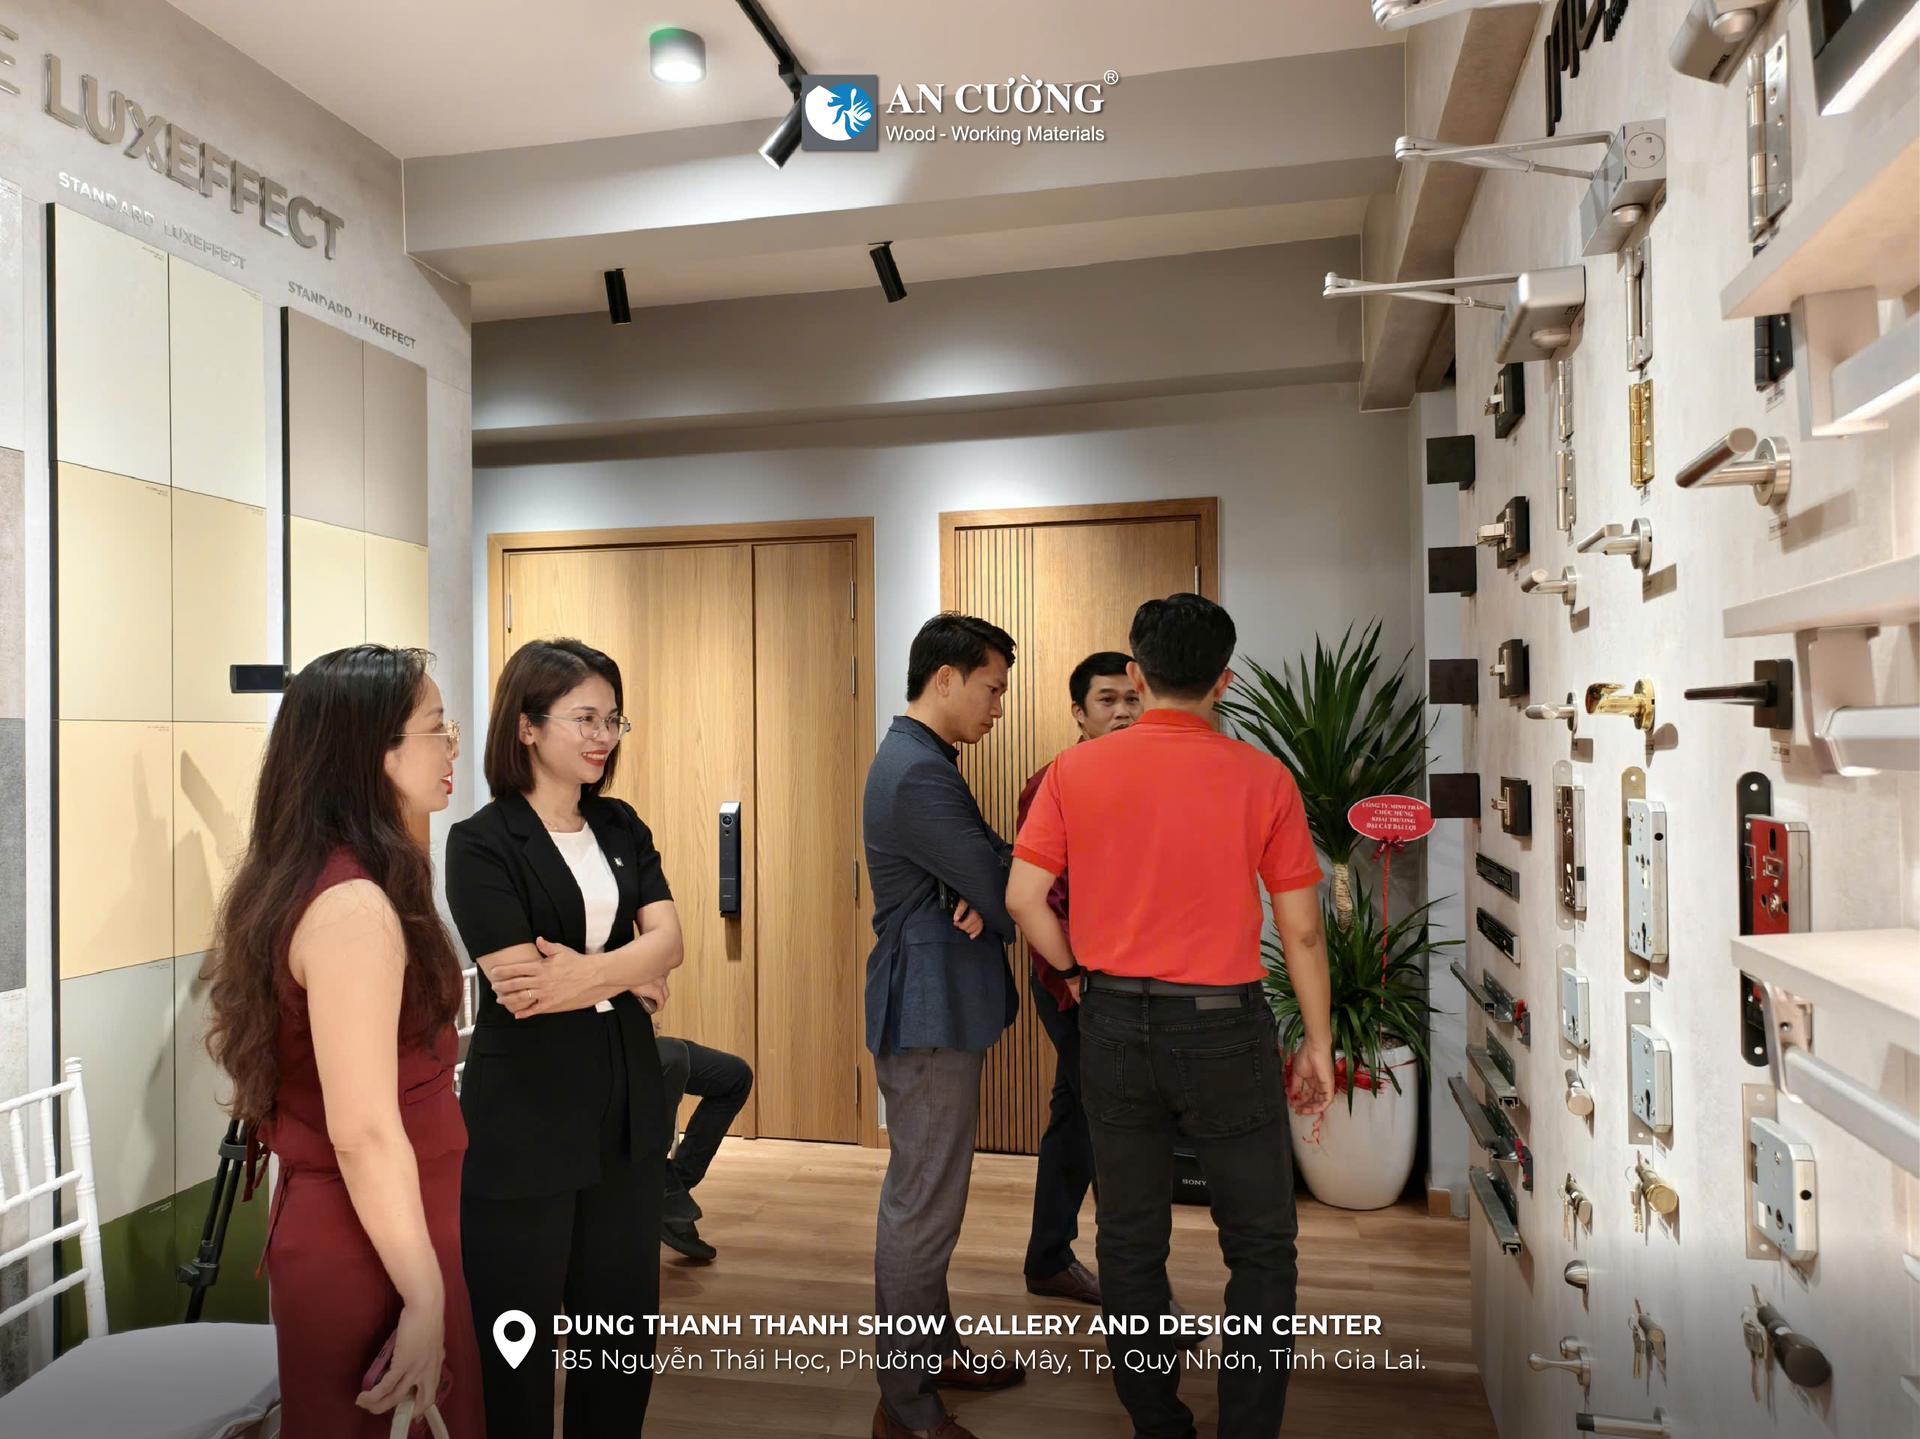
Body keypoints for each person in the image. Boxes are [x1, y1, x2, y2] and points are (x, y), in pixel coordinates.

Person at [1007, 594, 1336, 1439]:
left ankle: (1159, 1423)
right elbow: (1302, 930)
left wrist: (1076, 971)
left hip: (1114, 1021)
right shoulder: (1262, 778)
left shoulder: (1074, 771)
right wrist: (1318, 1042)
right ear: (1223, 680)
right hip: (1226, 1027)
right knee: (1259, 1243)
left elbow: (1024, 897)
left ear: (1137, 674)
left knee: (1129, 1237)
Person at [204, 644, 483, 1437]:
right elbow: (362, 1129)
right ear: (374, 752)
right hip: (372, 1244)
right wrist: (421, 1293)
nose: (452, 745)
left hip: (393, 1224)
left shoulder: (337, 877)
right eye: (436, 727)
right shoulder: (352, 907)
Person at [446, 638, 685, 1437]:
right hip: (525, 1117)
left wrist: (595, 972)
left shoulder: (619, 823)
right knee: (515, 1344)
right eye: (585, 717)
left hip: (625, 1109)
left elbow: (672, 942)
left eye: (613, 719)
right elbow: (524, 986)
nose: (603, 735)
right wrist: (627, 971)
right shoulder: (481, 841)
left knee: (619, 1335)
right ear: (527, 725)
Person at [863, 613, 1027, 1439]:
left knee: (930, 1197)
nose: (997, 705)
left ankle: (933, 1351)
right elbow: (1004, 882)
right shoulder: (919, 773)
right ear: (945, 679)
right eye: (992, 688)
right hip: (927, 1008)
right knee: (924, 1205)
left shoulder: (925, 760)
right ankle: (905, 1401)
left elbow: (994, 857)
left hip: (938, 1003)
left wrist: (982, 881)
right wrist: (985, 889)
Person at [1013, 652, 1141, 1306]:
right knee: (1110, 1120)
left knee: (1080, 1114)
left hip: (1124, 979)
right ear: (1079, 713)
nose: (1122, 712)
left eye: (1130, 699)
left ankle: (1049, 1257)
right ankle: (1136, 1290)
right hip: (1073, 982)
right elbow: (1041, 896)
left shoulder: (1143, 778)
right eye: (1106, 701)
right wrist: (1070, 979)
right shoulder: (1052, 782)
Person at [654, 1022, 755, 1263]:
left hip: (637, 1039)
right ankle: (662, 1191)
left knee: (735, 1076)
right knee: (673, 1056)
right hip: (596, 1045)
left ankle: (672, 1187)